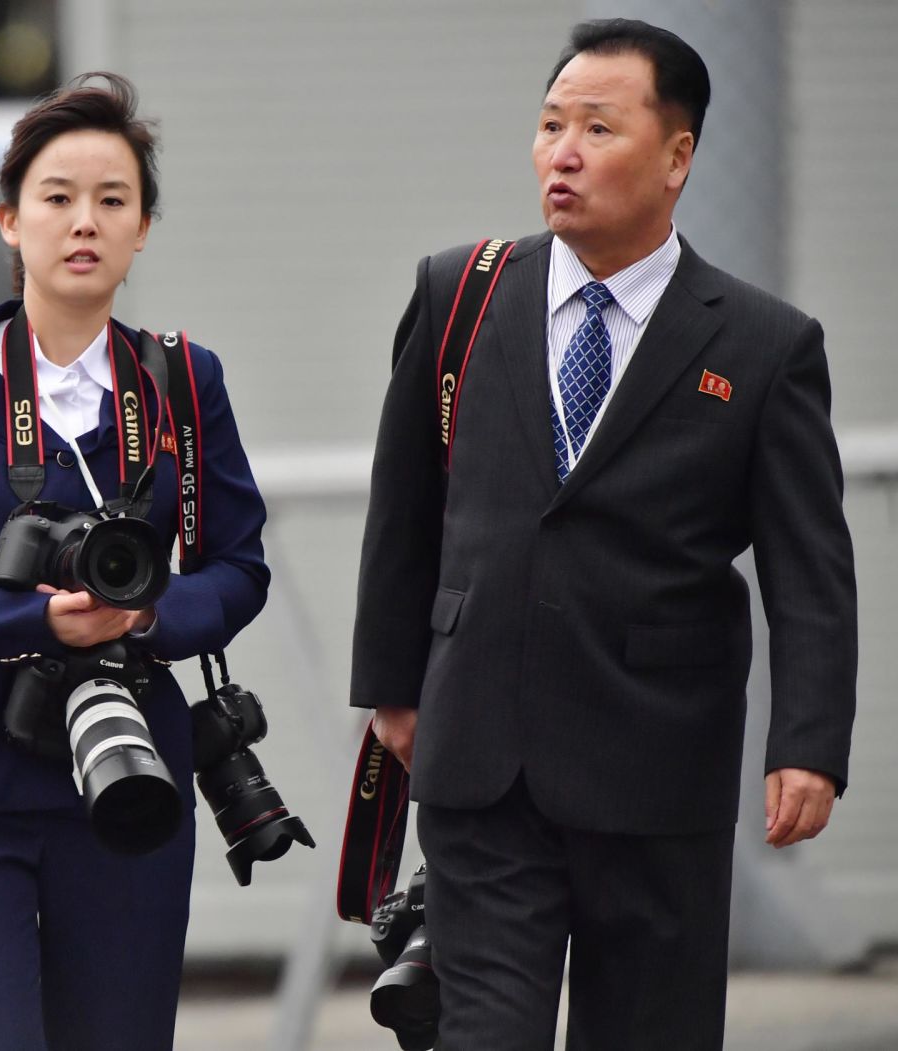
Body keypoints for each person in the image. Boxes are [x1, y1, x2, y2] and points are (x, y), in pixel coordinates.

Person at [349, 19, 857, 1051]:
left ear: (676, 156)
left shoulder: (762, 344)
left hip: (656, 759)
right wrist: (392, 685)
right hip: (479, 747)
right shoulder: (458, 292)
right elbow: (403, 506)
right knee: (484, 1031)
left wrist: (808, 743)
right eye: (547, 125)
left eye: (595, 127)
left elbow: (809, 568)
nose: (562, 153)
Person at [0, 73, 269, 1050]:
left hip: (128, 769)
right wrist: (36, 620)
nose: (84, 221)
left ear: (142, 230)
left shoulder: (178, 378)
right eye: (56, 197)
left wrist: (147, 615)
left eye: (112, 200)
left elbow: (237, 563)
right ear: (8, 220)